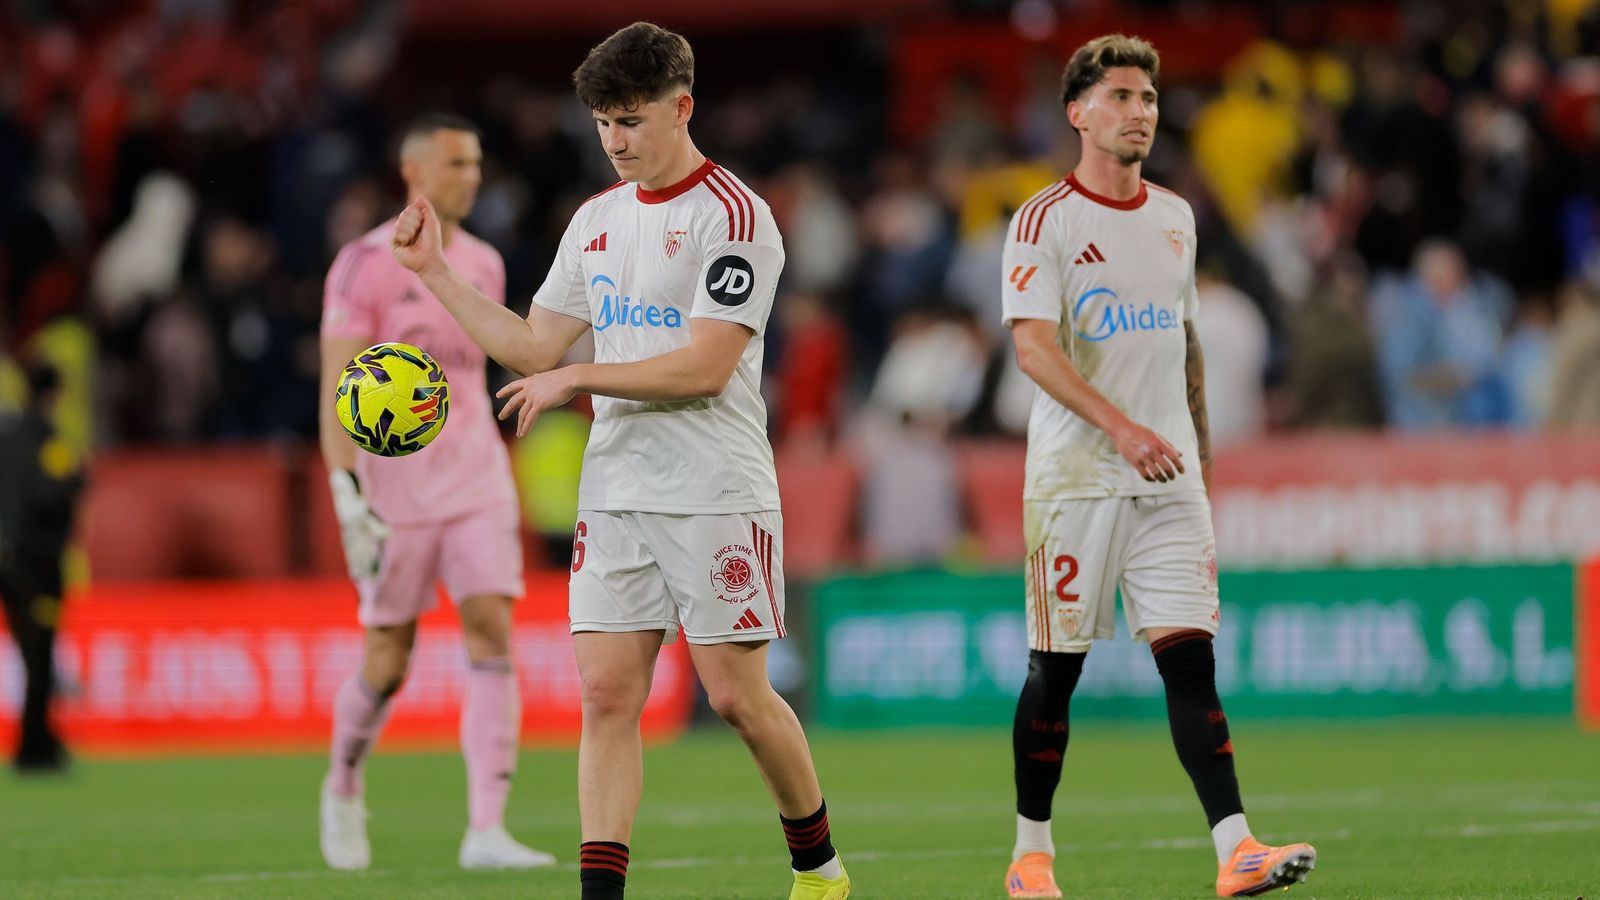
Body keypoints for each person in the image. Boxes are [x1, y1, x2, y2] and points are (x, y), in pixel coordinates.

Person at [389, 23, 850, 900]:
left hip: (716, 487)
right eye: (602, 123)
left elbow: (707, 367)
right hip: (618, 488)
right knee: (605, 696)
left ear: (683, 107)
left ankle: (819, 869)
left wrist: (579, 376)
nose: (614, 141)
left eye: (631, 122)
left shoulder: (737, 217)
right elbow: (532, 346)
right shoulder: (596, 220)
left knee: (736, 699)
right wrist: (436, 274)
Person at [998, 35, 1317, 898]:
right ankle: (1031, 856)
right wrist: (1124, 429)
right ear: (1078, 112)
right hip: (1076, 484)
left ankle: (1235, 848)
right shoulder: (1043, 222)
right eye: (1122, 98)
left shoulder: (1177, 215)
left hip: (1168, 482)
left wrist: (1198, 459)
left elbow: (1185, 346)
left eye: (1148, 98)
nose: (1141, 112)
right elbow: (1033, 351)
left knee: (1190, 660)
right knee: (1053, 672)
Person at [317, 112, 554, 872]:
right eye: (459, 163)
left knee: (491, 629)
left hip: (477, 477)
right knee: (388, 661)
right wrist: (346, 493)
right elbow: (336, 393)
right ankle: (344, 782)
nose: (473, 177)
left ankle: (487, 828)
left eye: (478, 163)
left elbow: (483, 368)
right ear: (415, 171)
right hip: (395, 494)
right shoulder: (363, 263)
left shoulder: (481, 262)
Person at [0, 362, 84, 773]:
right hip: (35, 563)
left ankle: (38, 738)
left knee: (28, 649)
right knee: (38, 652)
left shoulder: (5, 435)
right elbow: (50, 493)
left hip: (6, 559)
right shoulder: (49, 441)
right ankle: (35, 745)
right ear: (54, 394)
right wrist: (78, 477)